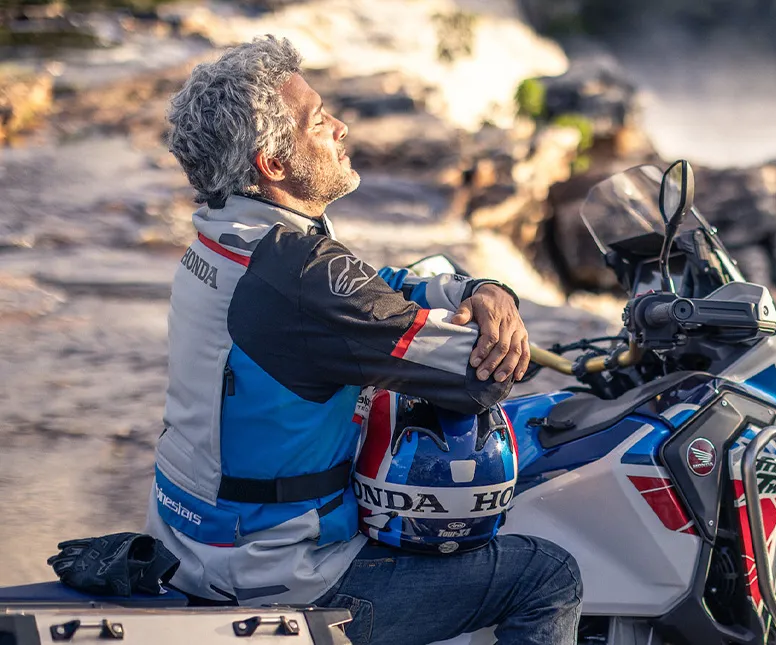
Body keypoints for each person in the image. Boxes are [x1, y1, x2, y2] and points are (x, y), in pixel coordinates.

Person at [144, 35, 582, 644]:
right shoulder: (303, 273)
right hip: (278, 574)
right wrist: (499, 332)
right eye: (320, 121)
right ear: (272, 163)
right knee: (549, 575)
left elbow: (376, 291)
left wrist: (475, 289)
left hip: (189, 540)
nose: (342, 127)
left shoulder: (227, 237)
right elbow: (479, 375)